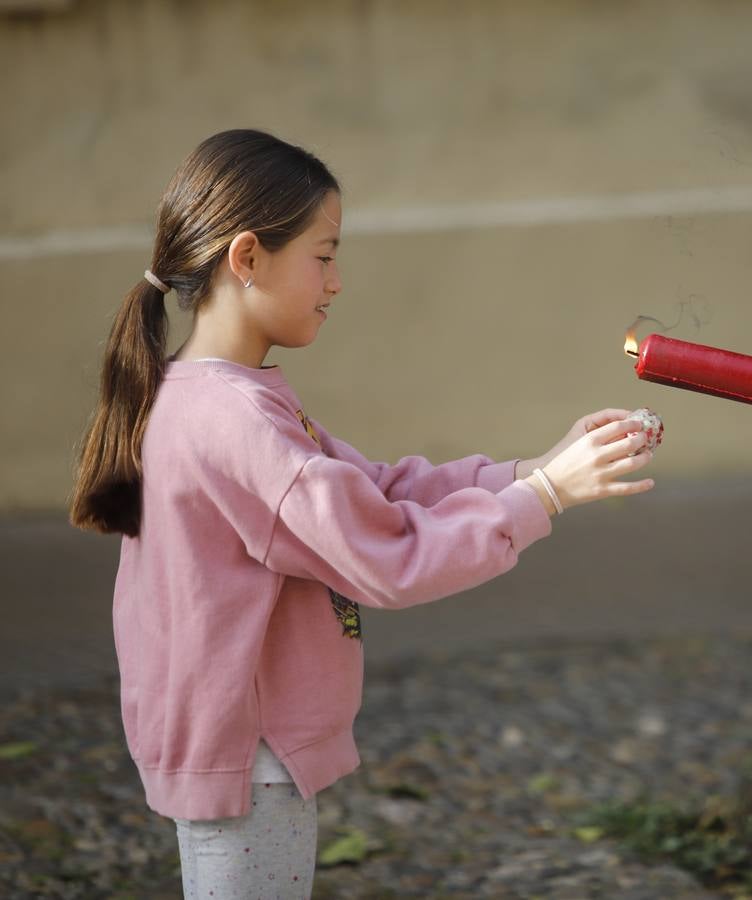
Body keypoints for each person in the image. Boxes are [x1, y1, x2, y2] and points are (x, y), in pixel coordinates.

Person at [68, 129, 655, 899]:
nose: (337, 281)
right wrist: (544, 498)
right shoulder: (230, 420)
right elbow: (385, 557)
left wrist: (539, 466)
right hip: (253, 760)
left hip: (249, 754)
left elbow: (375, 490)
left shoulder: (221, 397)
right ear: (247, 258)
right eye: (323, 254)